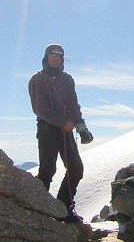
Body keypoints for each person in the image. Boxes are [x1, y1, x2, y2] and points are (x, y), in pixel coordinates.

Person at [28, 43, 93, 222]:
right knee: (47, 170)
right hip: (48, 129)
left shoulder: (68, 80)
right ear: (46, 57)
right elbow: (40, 108)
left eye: (58, 54)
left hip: (66, 131)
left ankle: (63, 208)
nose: (55, 57)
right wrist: (64, 122)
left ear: (62, 58)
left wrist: (82, 128)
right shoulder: (37, 79)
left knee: (76, 169)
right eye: (52, 54)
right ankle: (39, 209)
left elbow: (73, 106)